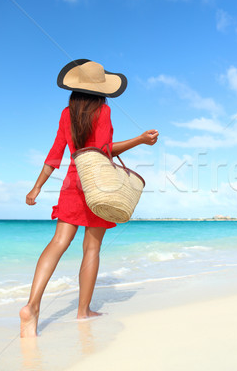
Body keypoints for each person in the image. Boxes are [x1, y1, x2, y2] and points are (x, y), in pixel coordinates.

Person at [20, 59, 158, 338]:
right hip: (98, 183)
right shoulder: (103, 111)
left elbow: (54, 155)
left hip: (72, 182)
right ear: (101, 90)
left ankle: (32, 306)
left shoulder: (65, 114)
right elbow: (104, 150)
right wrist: (140, 139)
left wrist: (36, 187)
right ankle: (83, 311)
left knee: (58, 242)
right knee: (91, 249)